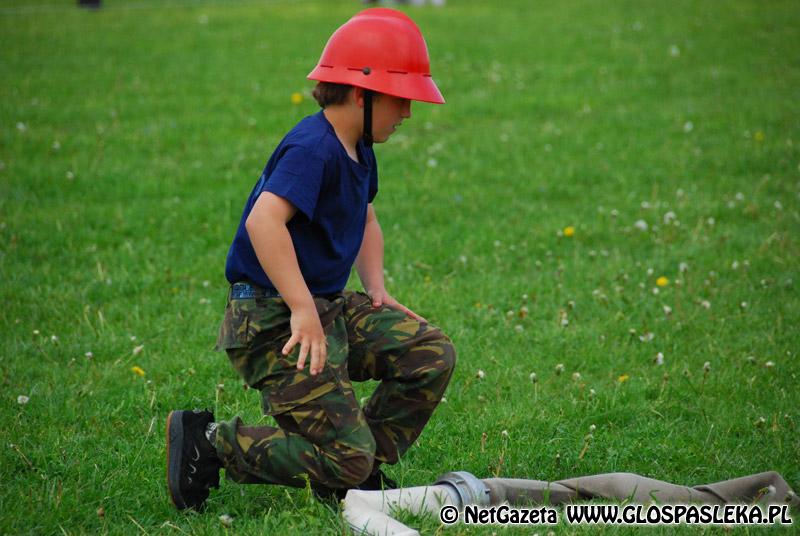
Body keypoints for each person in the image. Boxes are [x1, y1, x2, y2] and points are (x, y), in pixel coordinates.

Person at [166, 8, 456, 511]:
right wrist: (301, 308)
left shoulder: (360, 147)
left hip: (324, 306)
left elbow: (365, 218)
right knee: (346, 457)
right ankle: (210, 443)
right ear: (362, 94)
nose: (408, 113)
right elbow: (263, 222)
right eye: (400, 99)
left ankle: (355, 472)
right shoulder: (312, 148)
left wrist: (376, 287)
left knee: (429, 354)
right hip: (270, 319)